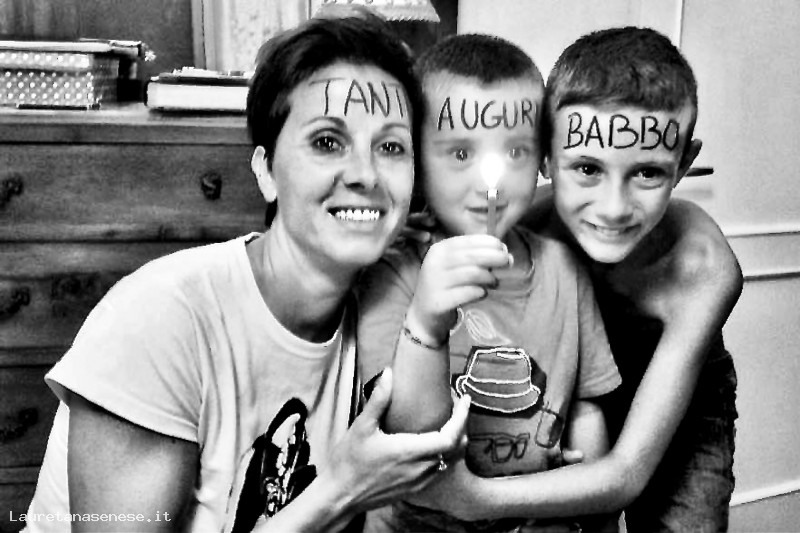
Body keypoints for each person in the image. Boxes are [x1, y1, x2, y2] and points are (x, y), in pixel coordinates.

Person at [23, 13, 470, 533]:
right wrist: (341, 490)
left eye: (391, 147)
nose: (366, 175)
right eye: (327, 142)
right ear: (265, 170)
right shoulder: (158, 319)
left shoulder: (391, 299)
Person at [398, 26, 742, 533]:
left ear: (684, 164)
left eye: (648, 172)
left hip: (680, 391)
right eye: (586, 168)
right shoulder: (530, 223)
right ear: (546, 158)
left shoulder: (705, 270)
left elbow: (626, 473)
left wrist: (475, 499)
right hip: (570, 379)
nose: (613, 207)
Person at [356, 33, 622, 532]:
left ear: (542, 159)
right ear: (417, 161)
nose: (487, 182)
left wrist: (588, 504)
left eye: (516, 151)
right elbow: (407, 437)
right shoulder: (393, 273)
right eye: (460, 154)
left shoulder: (565, 269)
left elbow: (586, 402)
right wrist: (427, 321)